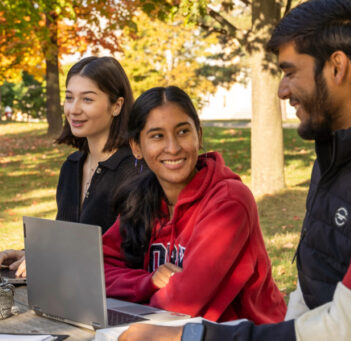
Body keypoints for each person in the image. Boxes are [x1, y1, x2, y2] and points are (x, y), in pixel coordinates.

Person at [118, 1, 351, 340]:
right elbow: (309, 300)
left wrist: (192, 336)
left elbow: (344, 333)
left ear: (337, 67)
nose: (281, 90)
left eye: (290, 72)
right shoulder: (339, 157)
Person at [103, 86, 286, 323]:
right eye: (157, 136)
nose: (173, 147)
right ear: (137, 147)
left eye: (182, 132)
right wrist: (148, 282)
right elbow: (96, 271)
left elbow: (183, 303)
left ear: (198, 136)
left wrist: (130, 306)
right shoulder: (143, 198)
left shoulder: (228, 201)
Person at [0, 56, 139, 278]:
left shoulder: (134, 170)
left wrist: (49, 258)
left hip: (113, 297)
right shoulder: (71, 166)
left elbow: (129, 254)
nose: (74, 109)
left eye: (87, 100)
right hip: (69, 291)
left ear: (116, 106)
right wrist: (30, 253)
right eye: (69, 98)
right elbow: (67, 241)